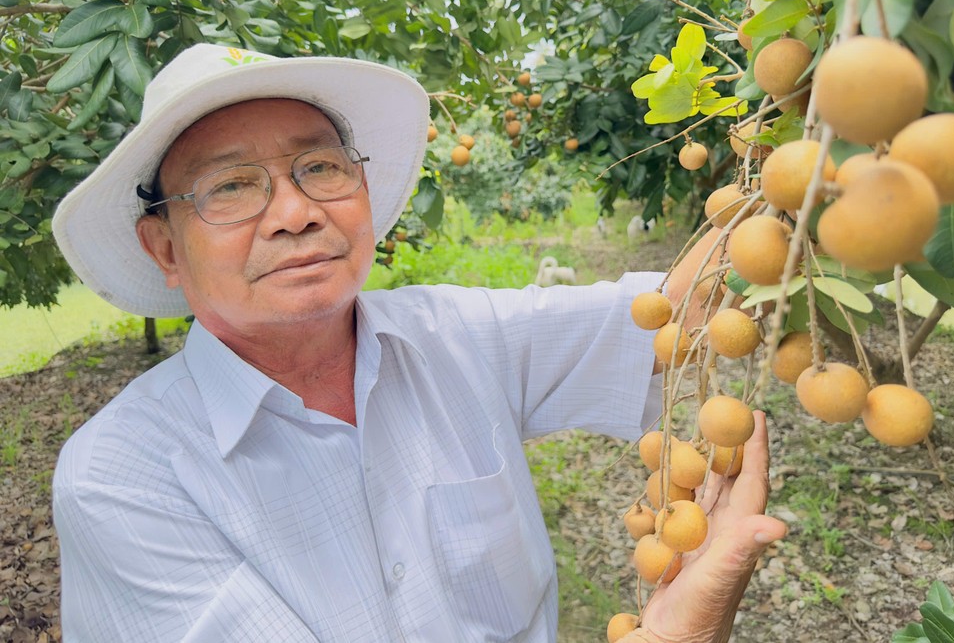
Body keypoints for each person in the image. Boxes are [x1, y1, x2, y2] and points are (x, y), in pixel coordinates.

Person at [51, 43, 786, 642]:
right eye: (232, 187)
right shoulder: (122, 479)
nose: (296, 212)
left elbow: (682, 314)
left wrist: (805, 120)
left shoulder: (455, 339)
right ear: (166, 250)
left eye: (320, 168)